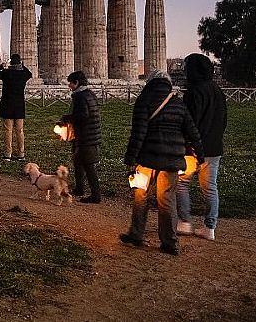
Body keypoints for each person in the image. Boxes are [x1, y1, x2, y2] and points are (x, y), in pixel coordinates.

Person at [121, 70, 204, 256]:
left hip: (147, 159)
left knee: (141, 196)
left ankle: (136, 235)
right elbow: (192, 131)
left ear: (150, 82)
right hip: (172, 160)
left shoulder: (144, 101)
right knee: (167, 200)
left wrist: (130, 158)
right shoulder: (177, 103)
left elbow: (138, 133)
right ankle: (170, 242)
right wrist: (200, 155)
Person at [176, 53, 228, 241]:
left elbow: (189, 122)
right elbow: (223, 120)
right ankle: (209, 227)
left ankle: (184, 222)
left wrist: (186, 143)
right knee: (210, 187)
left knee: (181, 183)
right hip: (214, 147)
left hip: (194, 148)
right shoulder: (218, 91)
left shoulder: (193, 92)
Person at [60, 70, 102, 204]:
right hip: (88, 133)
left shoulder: (80, 96)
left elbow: (83, 115)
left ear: (77, 82)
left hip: (86, 135)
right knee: (78, 161)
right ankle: (79, 189)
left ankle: (96, 195)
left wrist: (67, 118)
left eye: (70, 83)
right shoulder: (89, 94)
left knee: (89, 165)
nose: (69, 86)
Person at [0, 53, 33, 161]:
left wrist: (2, 65)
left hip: (7, 104)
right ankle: (21, 154)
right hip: (19, 106)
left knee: (8, 131)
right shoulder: (23, 74)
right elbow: (29, 73)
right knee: (20, 131)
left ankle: (7, 154)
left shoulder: (6, 73)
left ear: (11, 62)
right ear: (19, 62)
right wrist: (22, 66)